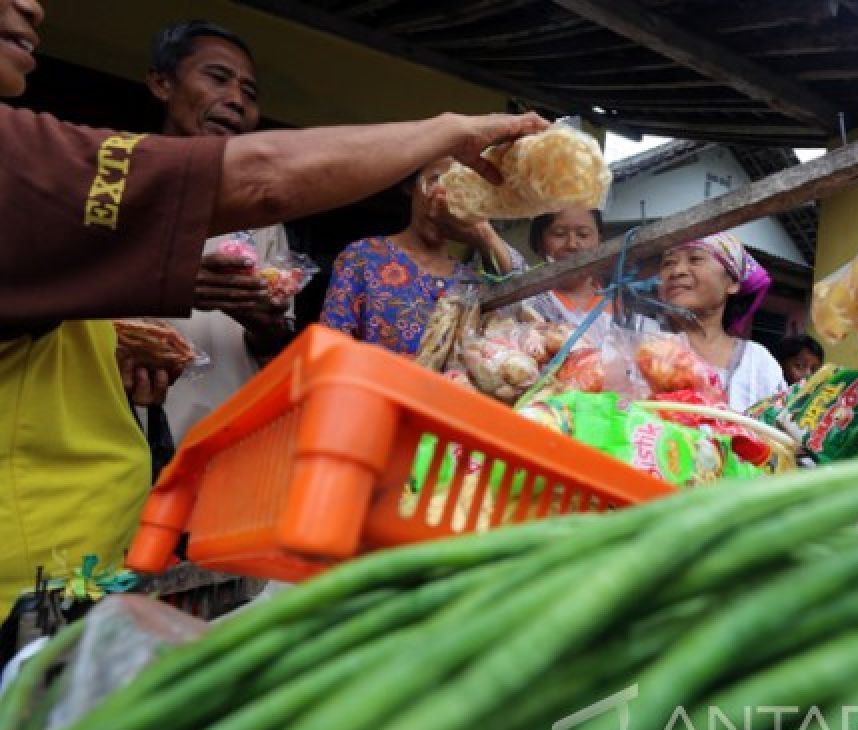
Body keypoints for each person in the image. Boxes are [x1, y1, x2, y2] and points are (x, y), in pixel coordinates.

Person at [0, 0, 547, 624]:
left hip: (123, 522)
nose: (31, 5)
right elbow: (265, 181)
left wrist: (113, 341)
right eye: (216, 78)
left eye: (248, 89)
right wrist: (450, 129)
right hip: (32, 575)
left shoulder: (462, 268)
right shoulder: (45, 162)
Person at [146, 21, 294, 441]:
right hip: (109, 432)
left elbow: (276, 348)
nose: (235, 101)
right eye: (217, 79)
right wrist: (170, 284)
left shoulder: (260, 214)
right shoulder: (116, 184)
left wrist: (264, 321)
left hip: (220, 440)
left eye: (249, 94)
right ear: (162, 83)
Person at [320, 157, 520, 354]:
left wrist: (483, 235)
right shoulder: (363, 256)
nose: (444, 196)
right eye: (435, 180)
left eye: (458, 187)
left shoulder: (473, 284)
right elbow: (330, 348)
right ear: (411, 185)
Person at [657, 232, 785, 411]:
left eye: (695, 259)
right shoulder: (639, 346)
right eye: (668, 263)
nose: (677, 271)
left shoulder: (758, 363)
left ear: (732, 282)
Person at [524, 206, 658, 337]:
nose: (572, 244)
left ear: (599, 241)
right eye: (559, 234)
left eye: (583, 235)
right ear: (540, 242)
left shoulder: (628, 306)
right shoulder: (526, 304)